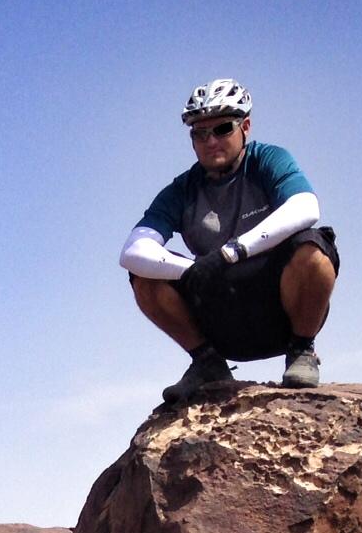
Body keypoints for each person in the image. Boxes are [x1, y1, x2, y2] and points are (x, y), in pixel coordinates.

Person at [121, 79, 339, 404]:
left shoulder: (268, 160)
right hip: (223, 313)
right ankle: (207, 363)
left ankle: (301, 351)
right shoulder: (182, 190)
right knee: (145, 278)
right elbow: (133, 249)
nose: (211, 141)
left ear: (245, 127)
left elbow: (306, 206)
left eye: (222, 128)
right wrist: (192, 269)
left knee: (314, 248)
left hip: (278, 307)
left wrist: (232, 252)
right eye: (199, 133)